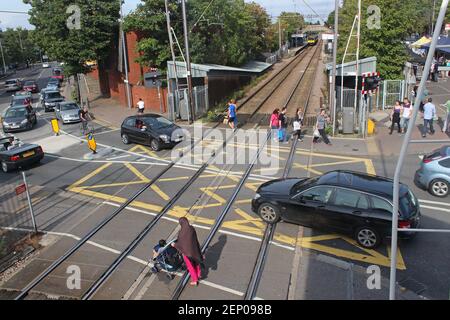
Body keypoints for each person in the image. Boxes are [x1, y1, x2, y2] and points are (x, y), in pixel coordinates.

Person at [172, 217, 204, 286]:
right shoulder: (192, 228)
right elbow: (195, 239)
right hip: (194, 250)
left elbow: (181, 244)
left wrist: (174, 245)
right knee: (196, 262)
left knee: (190, 266)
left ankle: (195, 280)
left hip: (187, 253)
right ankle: (199, 274)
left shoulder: (181, 232)